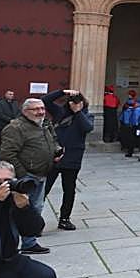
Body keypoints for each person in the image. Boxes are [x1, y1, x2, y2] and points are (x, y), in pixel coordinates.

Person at [0, 96, 60, 255]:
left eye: (42, 109)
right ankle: (10, 246)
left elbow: (51, 142)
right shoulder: (16, 128)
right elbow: (7, 154)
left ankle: (29, 243)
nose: (40, 112)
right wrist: (23, 176)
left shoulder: (43, 125)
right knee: (18, 211)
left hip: (41, 175)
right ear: (25, 111)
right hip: (25, 178)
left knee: (34, 210)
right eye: (36, 109)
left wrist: (55, 152)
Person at [43, 90, 93, 232]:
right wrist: (62, 92)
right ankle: (35, 219)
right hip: (54, 156)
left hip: (73, 158)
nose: (75, 103)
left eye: (78, 101)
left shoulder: (86, 115)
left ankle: (65, 219)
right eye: (73, 101)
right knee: (44, 188)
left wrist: (78, 112)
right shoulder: (60, 113)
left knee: (69, 189)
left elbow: (87, 128)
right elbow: (45, 100)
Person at [0, 90, 21, 158]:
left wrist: (16, 119)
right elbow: (0, 114)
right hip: (3, 125)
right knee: (1, 142)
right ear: (5, 95)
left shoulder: (15, 103)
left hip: (14, 126)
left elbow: (19, 112)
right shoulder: (0, 103)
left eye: (12, 94)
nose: (11, 95)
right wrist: (9, 120)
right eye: (9, 94)